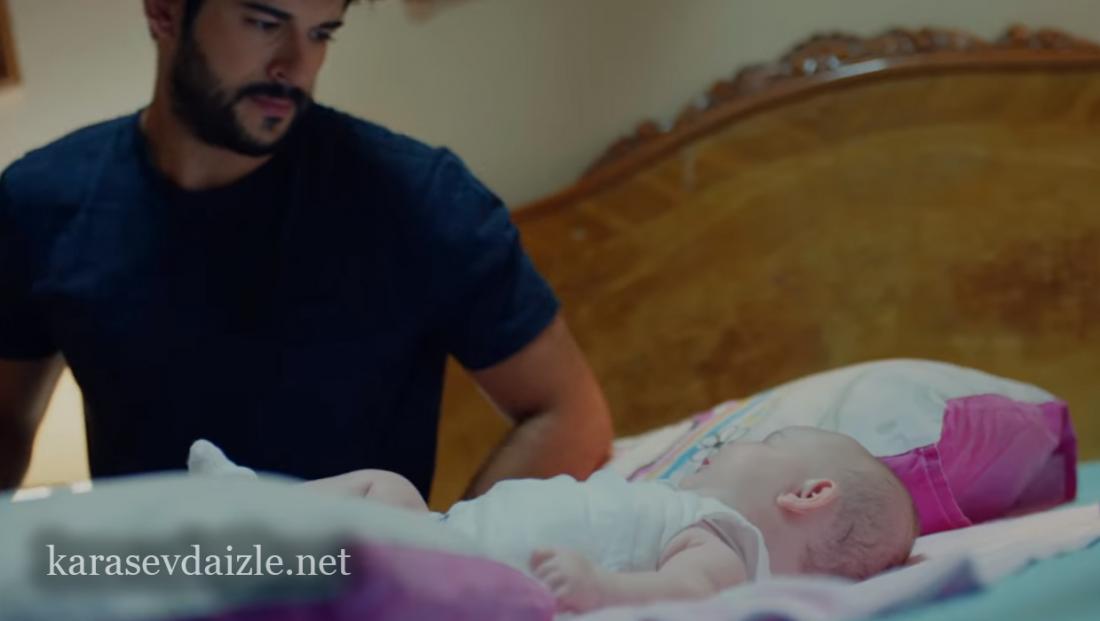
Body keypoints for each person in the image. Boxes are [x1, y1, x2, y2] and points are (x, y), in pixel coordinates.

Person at [0, 0, 613, 498]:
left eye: (321, 32)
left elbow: (570, 416)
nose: (295, 65)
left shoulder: (419, 202)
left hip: (354, 586)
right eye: (264, 23)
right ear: (164, 11)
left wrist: (445, 565)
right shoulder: (41, 203)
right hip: (148, 582)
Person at [239, 426, 918, 614]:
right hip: (443, 536)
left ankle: (238, 520)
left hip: (456, 576)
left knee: (378, 499)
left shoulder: (726, 540)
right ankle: (243, 515)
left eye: (764, 442)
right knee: (383, 494)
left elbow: (689, 591)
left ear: (808, 493)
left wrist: (601, 587)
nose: (727, 444)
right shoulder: (673, 505)